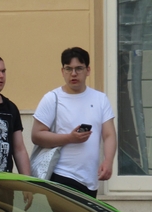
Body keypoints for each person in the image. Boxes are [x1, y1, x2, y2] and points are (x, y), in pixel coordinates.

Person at [31, 47, 117, 198]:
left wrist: (108, 161)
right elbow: (36, 135)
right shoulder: (52, 98)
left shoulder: (100, 99)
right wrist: (69, 138)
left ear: (88, 70)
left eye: (79, 68)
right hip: (61, 174)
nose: (74, 74)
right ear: (62, 71)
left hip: (90, 179)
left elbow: (109, 134)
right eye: (68, 69)